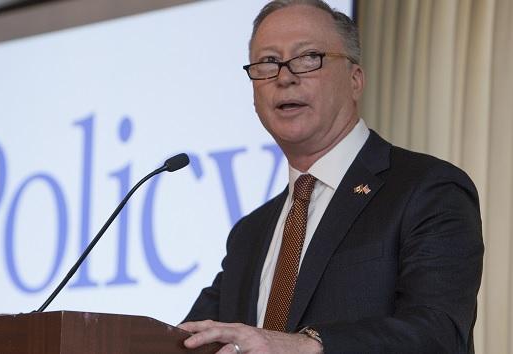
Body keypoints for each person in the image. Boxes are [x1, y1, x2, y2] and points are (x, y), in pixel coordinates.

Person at [178, 1, 484, 353]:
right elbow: (185, 340)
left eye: (308, 57)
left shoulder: (428, 189)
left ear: (355, 80)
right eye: (268, 62)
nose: (284, 76)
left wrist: (305, 347)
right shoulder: (249, 234)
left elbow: (439, 334)